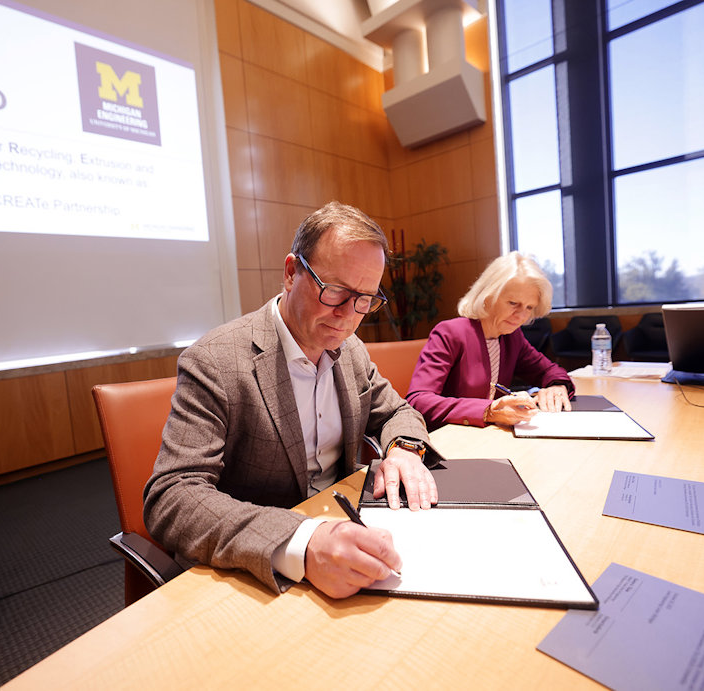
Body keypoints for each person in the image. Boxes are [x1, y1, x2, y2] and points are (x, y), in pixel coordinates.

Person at [144, 201, 438, 600]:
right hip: (264, 566)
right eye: (335, 291)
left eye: (365, 299)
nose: (348, 317)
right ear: (290, 273)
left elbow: (397, 411)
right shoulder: (215, 361)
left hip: (346, 533)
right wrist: (301, 540)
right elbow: (172, 496)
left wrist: (403, 450)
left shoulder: (349, 350)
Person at [407, 251, 574, 429]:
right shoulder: (451, 332)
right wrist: (488, 410)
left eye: (529, 307)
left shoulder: (511, 337)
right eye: (513, 303)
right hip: (448, 437)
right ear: (488, 296)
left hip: (487, 435)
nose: (521, 316)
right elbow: (418, 400)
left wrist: (557, 386)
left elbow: (549, 370)